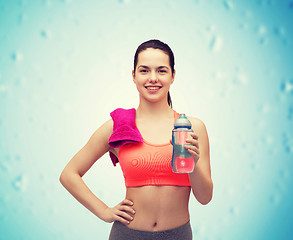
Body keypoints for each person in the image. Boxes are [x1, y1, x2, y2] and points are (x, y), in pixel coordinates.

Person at [59, 39, 213, 240]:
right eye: (144, 70)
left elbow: (204, 198)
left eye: (162, 70)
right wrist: (104, 211)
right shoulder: (118, 127)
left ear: (173, 76)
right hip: (127, 234)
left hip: (178, 235)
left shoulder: (192, 128)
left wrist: (194, 162)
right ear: (133, 75)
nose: (153, 78)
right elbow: (69, 174)